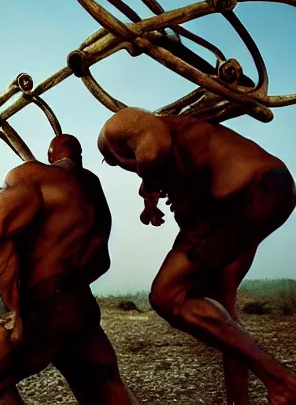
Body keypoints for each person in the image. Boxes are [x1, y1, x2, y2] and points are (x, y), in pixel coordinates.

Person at [98, 106, 296, 405]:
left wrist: (149, 185)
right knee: (222, 314)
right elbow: (166, 158)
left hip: (238, 194)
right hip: (268, 189)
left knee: (166, 296)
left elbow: (152, 151)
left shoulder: (115, 129)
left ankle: (283, 383)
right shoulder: (187, 142)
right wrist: (154, 199)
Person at [0, 134, 138, 405]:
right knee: (103, 383)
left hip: (37, 305)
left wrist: (14, 307)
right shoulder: (92, 186)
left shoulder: (31, 175)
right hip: (79, 306)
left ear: (51, 155)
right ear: (79, 156)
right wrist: (69, 287)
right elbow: (101, 261)